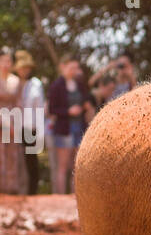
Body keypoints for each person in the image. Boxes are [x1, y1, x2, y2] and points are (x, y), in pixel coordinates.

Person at [47, 52, 95, 193]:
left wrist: (86, 105)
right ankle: (60, 196)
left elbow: (87, 99)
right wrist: (68, 111)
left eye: (76, 68)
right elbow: (52, 109)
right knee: (63, 166)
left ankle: (76, 196)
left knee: (77, 165)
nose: (74, 71)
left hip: (79, 127)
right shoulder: (56, 86)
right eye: (71, 67)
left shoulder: (79, 84)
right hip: (64, 129)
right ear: (63, 67)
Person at [17, 51, 46, 195]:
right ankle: (21, 189)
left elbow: (39, 107)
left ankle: (32, 191)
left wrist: (41, 130)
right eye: (22, 68)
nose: (24, 70)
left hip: (31, 127)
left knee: (31, 159)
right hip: (16, 125)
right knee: (19, 159)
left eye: (27, 67)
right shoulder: (15, 83)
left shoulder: (36, 84)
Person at [0, 46, 24, 194]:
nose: (6, 64)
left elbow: (19, 103)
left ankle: (11, 189)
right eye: (3, 60)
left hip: (12, 121)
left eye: (8, 61)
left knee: (12, 156)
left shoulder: (16, 81)